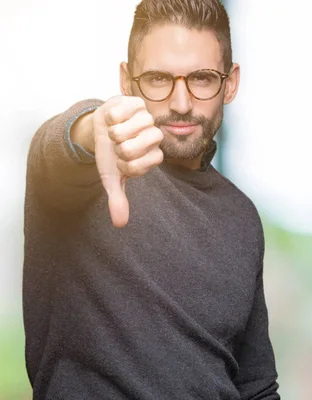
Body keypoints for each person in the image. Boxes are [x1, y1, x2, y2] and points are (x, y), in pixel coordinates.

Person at [22, 0, 280, 398]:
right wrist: (94, 128)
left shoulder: (242, 217)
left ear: (230, 83)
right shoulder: (91, 170)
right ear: (126, 81)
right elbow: (57, 148)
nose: (181, 102)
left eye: (203, 78)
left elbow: (257, 386)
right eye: (159, 79)